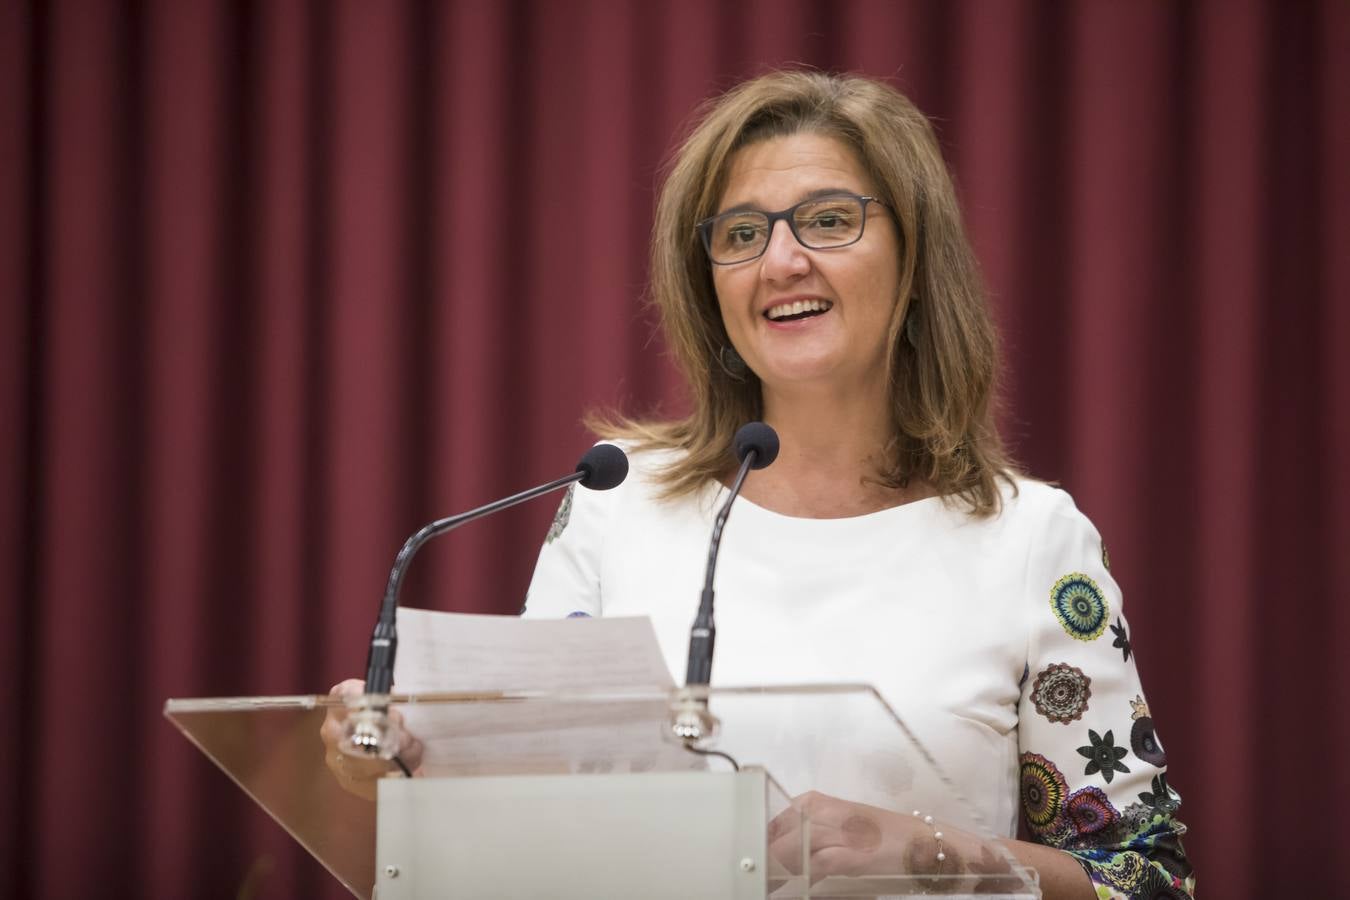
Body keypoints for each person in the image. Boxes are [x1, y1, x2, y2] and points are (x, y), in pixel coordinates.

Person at [517, 71, 1194, 899]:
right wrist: (397, 770)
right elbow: (516, 798)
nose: (782, 261)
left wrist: (933, 855)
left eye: (829, 221)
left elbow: (1147, 881)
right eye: (739, 235)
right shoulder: (615, 497)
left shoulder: (1032, 540)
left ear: (914, 260)